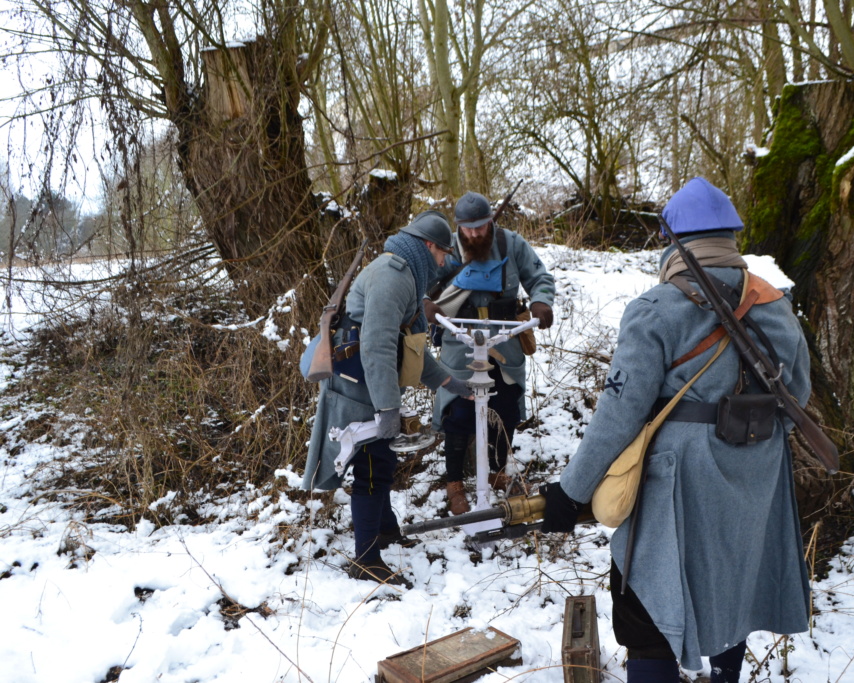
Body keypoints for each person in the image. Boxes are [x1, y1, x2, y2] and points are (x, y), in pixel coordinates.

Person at [539, 177, 813, 683]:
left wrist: (570, 490)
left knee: (645, 605)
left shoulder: (655, 309)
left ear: (674, 242)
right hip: (758, 474)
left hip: (681, 480)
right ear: (731, 238)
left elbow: (620, 413)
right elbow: (798, 391)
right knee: (736, 586)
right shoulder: (776, 304)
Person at [301, 211, 473, 587]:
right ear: (429, 246)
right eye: (443, 253)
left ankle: (384, 530)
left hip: (368, 381)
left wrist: (448, 380)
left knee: (380, 457)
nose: (444, 262)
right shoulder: (393, 277)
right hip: (358, 384)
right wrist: (387, 409)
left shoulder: (405, 273)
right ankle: (366, 560)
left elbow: (406, 345)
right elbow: (377, 347)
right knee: (373, 464)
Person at [424, 191, 556, 515]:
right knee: (458, 410)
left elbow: (540, 277)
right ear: (459, 227)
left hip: (506, 340)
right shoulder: (447, 248)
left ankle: (496, 470)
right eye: (468, 229)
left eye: (480, 227)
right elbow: (423, 285)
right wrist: (425, 303)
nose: (474, 235)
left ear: (489, 223)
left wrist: (542, 300)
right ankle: (455, 482)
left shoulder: (511, 245)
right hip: (460, 342)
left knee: (506, 406)